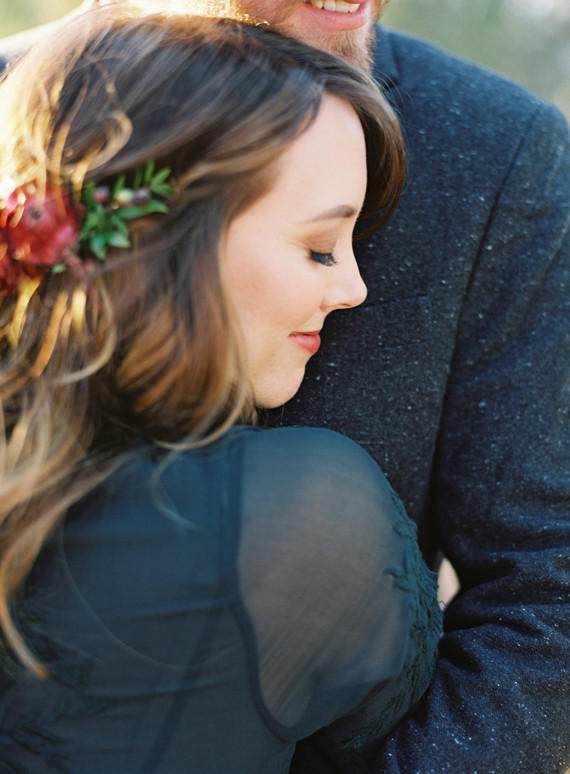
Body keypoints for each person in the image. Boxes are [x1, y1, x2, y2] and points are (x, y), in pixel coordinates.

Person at [1, 3, 568, 773]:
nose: (355, 290)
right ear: (175, 239)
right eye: (317, 248)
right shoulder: (318, 518)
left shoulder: (501, 152)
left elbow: (544, 599)